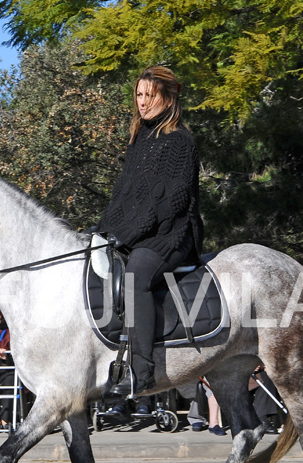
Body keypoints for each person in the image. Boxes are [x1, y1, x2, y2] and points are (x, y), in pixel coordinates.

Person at [98, 65, 203, 400]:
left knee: (136, 276)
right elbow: (124, 195)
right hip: (136, 234)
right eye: (139, 95)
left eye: (150, 95)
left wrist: (127, 234)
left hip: (170, 235)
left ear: (168, 98)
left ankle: (141, 373)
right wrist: (102, 231)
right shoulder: (139, 139)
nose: (142, 103)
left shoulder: (179, 141)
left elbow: (170, 203)